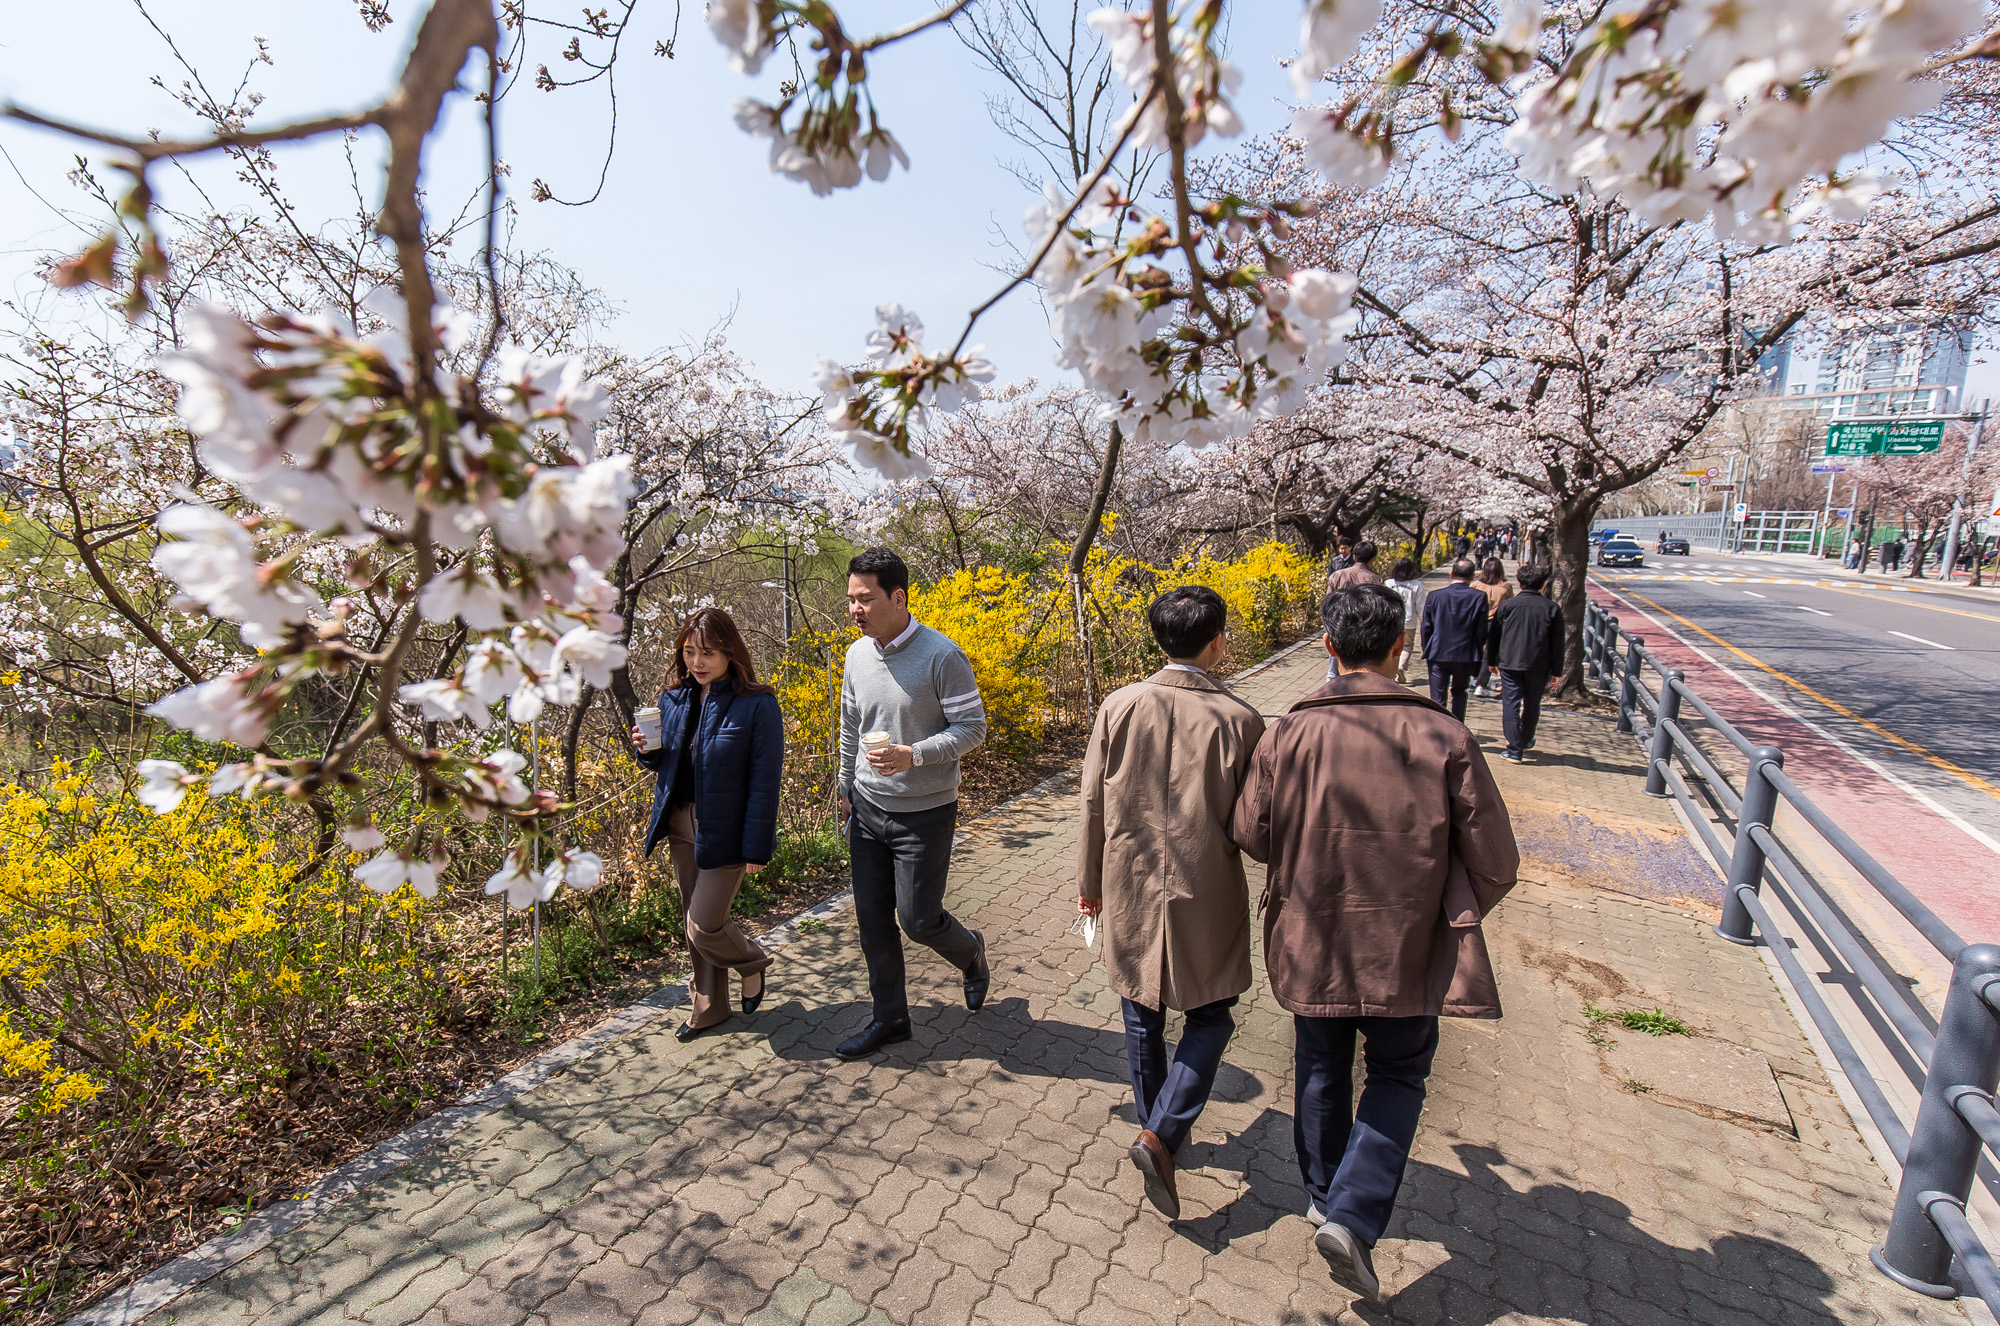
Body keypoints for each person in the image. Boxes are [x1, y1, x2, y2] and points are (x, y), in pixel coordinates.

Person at [1232, 583, 1520, 1302]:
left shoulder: (1288, 731)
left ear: (1329, 648)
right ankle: (1354, 1217)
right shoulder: (1445, 734)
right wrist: (1450, 905)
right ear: (1403, 648)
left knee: (1321, 1068)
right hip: (1409, 941)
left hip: (1312, 933)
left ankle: (1328, 1198)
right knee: (1397, 1075)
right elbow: (1497, 859)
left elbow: (1251, 833)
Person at [1077, 587, 1266, 1220]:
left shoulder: (1119, 705)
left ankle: (1156, 1130)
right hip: (1205, 881)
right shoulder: (1240, 719)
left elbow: (1090, 802)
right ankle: (1162, 1133)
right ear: (1216, 641)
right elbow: (1254, 824)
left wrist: (1089, 882)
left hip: (1128, 877)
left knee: (1141, 1010)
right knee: (1212, 1013)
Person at [835, 547, 992, 1060]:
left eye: (866, 599)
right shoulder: (857, 654)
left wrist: (913, 755)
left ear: (898, 597)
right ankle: (891, 1020)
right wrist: (845, 786)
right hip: (867, 805)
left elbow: (973, 730)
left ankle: (970, 952)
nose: (855, 610)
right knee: (872, 919)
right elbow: (849, 726)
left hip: (924, 810)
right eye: (851, 600)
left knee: (918, 919)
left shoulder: (942, 655)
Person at [630, 608, 782, 1042]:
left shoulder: (757, 704)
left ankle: (752, 965)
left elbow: (764, 781)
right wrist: (646, 750)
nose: (697, 662)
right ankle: (709, 1008)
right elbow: (668, 763)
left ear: (730, 653)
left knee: (703, 924)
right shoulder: (674, 698)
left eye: (709, 653)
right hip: (680, 822)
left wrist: (757, 848)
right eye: (690, 652)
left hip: (727, 830)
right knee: (690, 920)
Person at [1490, 565, 1565, 762]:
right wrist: (1557, 670)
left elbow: (1494, 636)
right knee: (1532, 704)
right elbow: (1558, 643)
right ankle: (1524, 739)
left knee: (1511, 703)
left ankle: (1514, 748)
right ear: (1543, 584)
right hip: (1539, 665)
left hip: (1509, 662)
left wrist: (1492, 661)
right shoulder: (1551, 608)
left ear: (1519, 583)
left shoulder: (1507, 606)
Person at [1418, 558, 1487, 720]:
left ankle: (1439, 732)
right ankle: (1457, 728)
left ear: (1451, 574)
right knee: (1460, 693)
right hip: (1465, 653)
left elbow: (1426, 627)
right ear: (1473, 576)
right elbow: (1481, 631)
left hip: (1437, 651)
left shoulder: (1435, 596)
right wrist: (1477, 653)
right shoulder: (1478, 597)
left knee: (1437, 697)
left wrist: (1427, 648)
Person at [1471, 557, 1514, 699]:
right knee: (1490, 653)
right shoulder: (1506, 586)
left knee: (1475, 649)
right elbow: (1510, 605)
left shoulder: (1476, 585)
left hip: (1476, 622)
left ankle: (1474, 676)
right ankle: (1481, 685)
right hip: (1496, 623)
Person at [1382, 557, 1427, 685]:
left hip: (1390, 619)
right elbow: (1421, 606)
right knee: (1407, 645)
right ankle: (1401, 666)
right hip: (1409, 620)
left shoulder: (1388, 583)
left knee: (1390, 646)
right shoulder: (1416, 585)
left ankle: (1390, 671)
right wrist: (1424, 621)